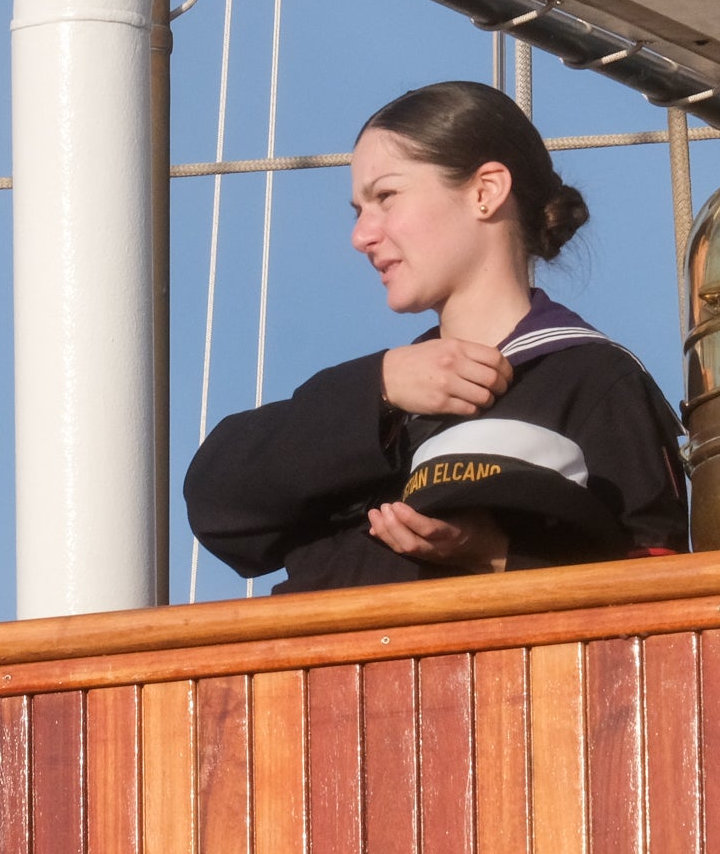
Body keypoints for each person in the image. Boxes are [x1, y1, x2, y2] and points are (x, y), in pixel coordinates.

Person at [185, 80, 687, 593]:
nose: (361, 236)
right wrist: (378, 388)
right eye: (359, 211)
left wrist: (493, 555)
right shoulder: (381, 395)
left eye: (386, 197)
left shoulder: (594, 381)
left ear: (485, 192)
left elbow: (655, 594)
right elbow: (218, 507)